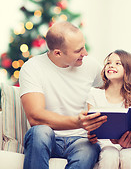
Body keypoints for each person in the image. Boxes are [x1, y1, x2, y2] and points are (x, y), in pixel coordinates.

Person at [19, 21, 107, 169]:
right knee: (40, 131)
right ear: (58, 53)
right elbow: (35, 117)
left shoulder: (91, 65)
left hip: (82, 140)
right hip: (50, 138)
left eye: (83, 46)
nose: (85, 53)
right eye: (78, 50)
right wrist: (77, 122)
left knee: (88, 149)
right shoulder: (32, 68)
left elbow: (113, 94)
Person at [87, 49, 131, 169]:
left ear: (128, 69)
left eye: (118, 63)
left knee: (129, 155)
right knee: (110, 154)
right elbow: (91, 125)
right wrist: (90, 134)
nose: (111, 65)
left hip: (127, 146)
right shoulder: (94, 94)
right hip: (103, 145)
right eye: (108, 63)